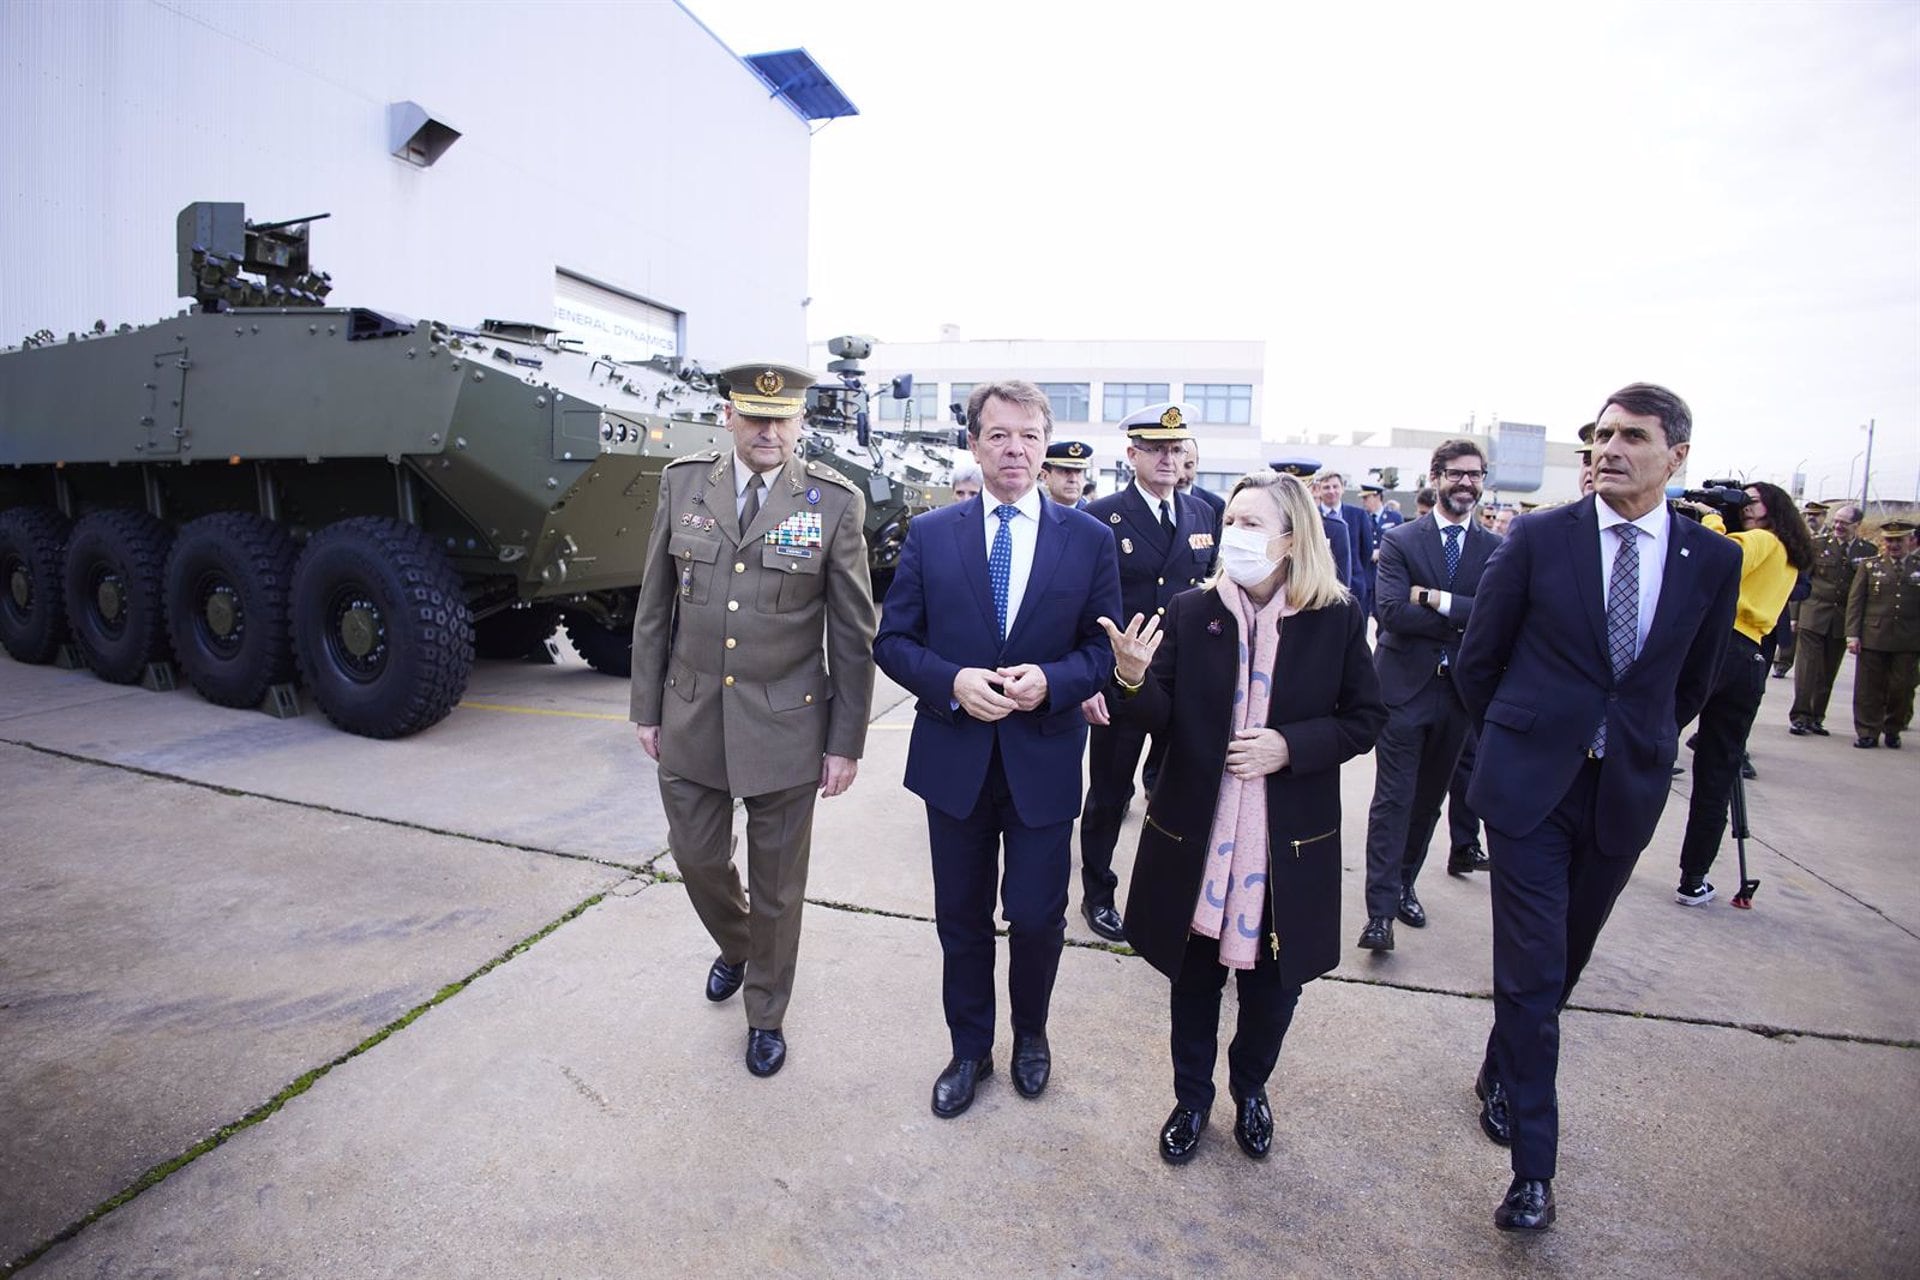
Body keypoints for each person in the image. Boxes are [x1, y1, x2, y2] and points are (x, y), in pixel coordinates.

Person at [1454, 382, 1740, 1231]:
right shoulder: (1542, 538)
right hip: (1529, 790)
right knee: (1535, 968)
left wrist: (1631, 741)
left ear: (1677, 456)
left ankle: (1502, 1063)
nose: (1608, 449)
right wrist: (1526, 733)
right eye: (1602, 435)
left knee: (1564, 963)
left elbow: (1695, 680)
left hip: (1624, 791)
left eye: (1632, 437)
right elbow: (1479, 662)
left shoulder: (1710, 560)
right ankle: (1533, 1171)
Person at [1106, 470, 1383, 1163]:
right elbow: (1160, 720)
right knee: (1193, 980)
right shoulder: (1192, 609)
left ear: (1291, 540)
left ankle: (1251, 1089)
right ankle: (1192, 1099)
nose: (1236, 536)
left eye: (1253, 524)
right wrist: (1133, 678)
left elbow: (1365, 719)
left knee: (1271, 989)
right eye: (1231, 521)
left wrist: (1291, 746)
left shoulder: (1336, 616)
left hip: (1284, 845)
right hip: (1198, 834)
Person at [873, 380, 1121, 1118]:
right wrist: (952, 681)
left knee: (1040, 916)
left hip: (1043, 758)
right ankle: (970, 1049)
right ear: (974, 444)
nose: (1015, 449)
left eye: (1029, 436)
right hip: (956, 762)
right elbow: (893, 641)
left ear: (1045, 445)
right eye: (999, 435)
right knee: (962, 916)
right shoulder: (931, 534)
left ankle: (1032, 1035)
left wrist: (1052, 681)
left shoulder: (1089, 540)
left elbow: (1101, 653)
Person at [629, 362, 878, 1079]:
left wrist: (844, 743)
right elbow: (654, 608)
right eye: (754, 416)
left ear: (801, 424)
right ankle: (740, 945)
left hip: (787, 724)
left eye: (783, 419)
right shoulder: (683, 484)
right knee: (697, 857)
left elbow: (852, 634)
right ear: (728, 417)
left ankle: (765, 1012)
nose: (769, 431)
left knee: (777, 885)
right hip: (692, 713)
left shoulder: (833, 502)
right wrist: (647, 708)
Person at [1076, 403, 1217, 942]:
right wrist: (1090, 682)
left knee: (1179, 792)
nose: (1167, 458)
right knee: (1110, 792)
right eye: (1155, 449)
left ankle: (1168, 898)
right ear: (1132, 454)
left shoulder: (1203, 513)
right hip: (1120, 678)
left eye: (1176, 449)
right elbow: (1079, 606)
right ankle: (1098, 892)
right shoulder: (1100, 516)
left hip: (1182, 680)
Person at [1357, 441, 1499, 952]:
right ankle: (1379, 915)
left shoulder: (1496, 548)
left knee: (1428, 801)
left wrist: (1436, 599)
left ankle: (1404, 886)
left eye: (1475, 475)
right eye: (1457, 474)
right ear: (1437, 477)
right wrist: (1466, 612)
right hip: (1402, 690)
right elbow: (1391, 610)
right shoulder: (1400, 540)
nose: (1466, 484)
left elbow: (1495, 618)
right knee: (1393, 800)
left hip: (1458, 694)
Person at [1672, 482, 1815, 905]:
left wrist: (1708, 515)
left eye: (1752, 499)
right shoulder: (1789, 551)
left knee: (1653, 737)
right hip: (1752, 658)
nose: (1745, 505)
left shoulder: (1761, 541)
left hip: (1719, 646)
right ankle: (1694, 877)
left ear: (1774, 508)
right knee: (1718, 770)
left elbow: (1721, 556)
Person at [1789, 504, 1875, 735]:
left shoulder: (1867, 551)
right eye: (1836, 521)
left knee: (1828, 670)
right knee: (1807, 669)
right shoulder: (1818, 545)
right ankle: (1800, 715)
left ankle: (1817, 716)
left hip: (1841, 620)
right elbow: (1801, 580)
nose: (1838, 526)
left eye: (1844, 523)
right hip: (1813, 615)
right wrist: (1794, 616)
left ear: (1856, 526)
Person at [1847, 519, 1920, 748]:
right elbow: (1856, 602)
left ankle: (1893, 728)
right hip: (1873, 636)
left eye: (1899, 540)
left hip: (1908, 640)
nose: (1894, 545)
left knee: (1903, 688)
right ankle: (1867, 731)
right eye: (1889, 540)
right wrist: (1853, 635)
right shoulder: (1870, 566)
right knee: (1868, 688)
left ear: (1910, 540)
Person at [1317, 470, 1375, 620]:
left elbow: (1366, 551)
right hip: (1319, 588)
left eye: (1335, 486)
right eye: (1326, 487)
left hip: (1354, 587)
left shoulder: (1358, 515)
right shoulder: (1312, 516)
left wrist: (1355, 574)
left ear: (1342, 488)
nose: (1332, 491)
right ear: (1319, 489)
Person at [1180, 441, 1227, 537]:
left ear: (1197, 463)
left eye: (1188, 466)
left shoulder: (1215, 505)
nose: (1181, 475)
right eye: (1176, 465)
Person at [1041, 440, 1093, 508]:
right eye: (1065, 471)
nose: (1073, 479)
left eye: (1078, 471)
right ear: (1045, 476)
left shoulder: (1096, 515)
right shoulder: (1035, 513)